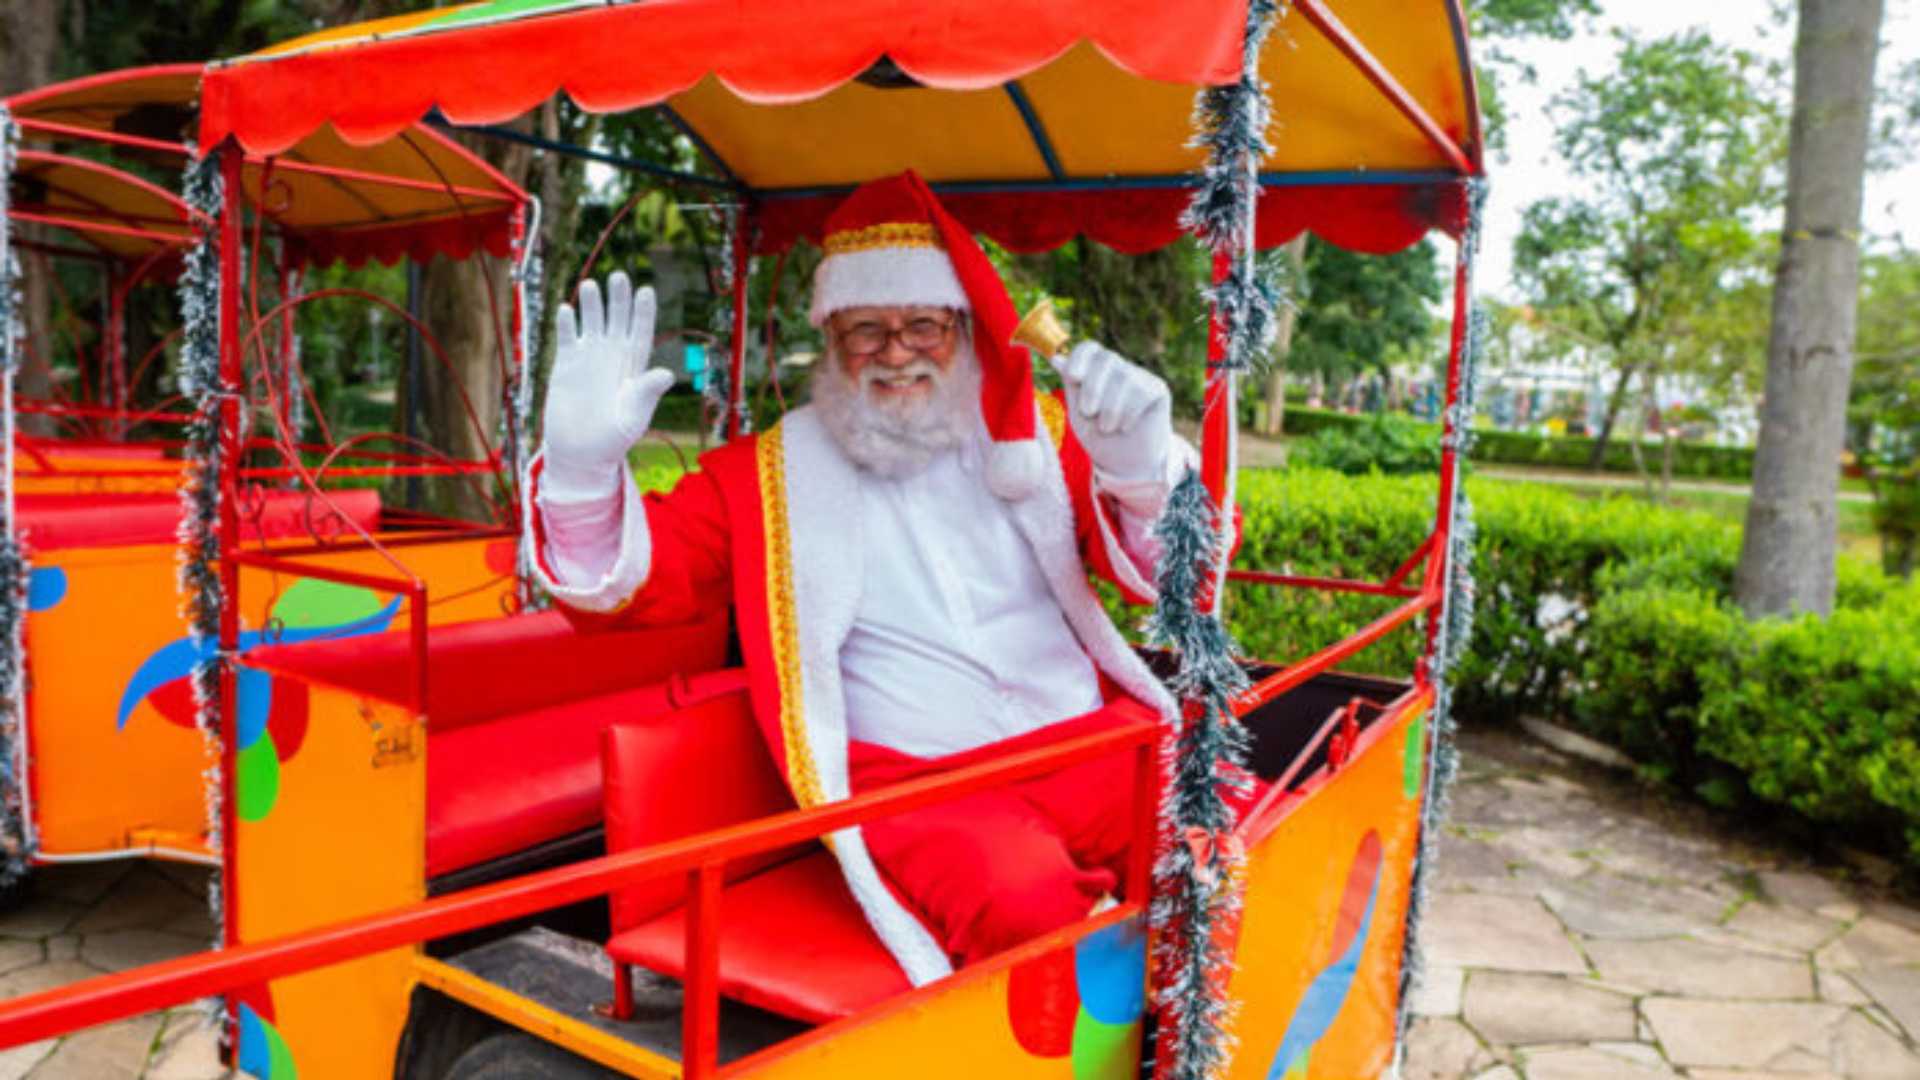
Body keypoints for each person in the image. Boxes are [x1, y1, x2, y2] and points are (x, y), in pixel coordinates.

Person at [525, 171, 1196, 988]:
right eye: (866, 329)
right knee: (1025, 905)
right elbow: (634, 583)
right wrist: (580, 471)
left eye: (922, 325)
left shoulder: (1041, 436)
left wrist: (1142, 475)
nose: (896, 351)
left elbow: (1173, 589)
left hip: (1084, 737)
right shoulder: (766, 475)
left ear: (959, 325)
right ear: (831, 336)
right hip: (919, 780)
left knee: (1216, 813)